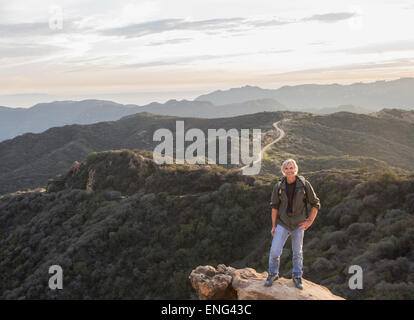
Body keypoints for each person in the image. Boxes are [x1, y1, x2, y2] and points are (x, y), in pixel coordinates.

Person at [264, 159, 321, 290]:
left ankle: (297, 277)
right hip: (282, 223)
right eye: (287, 168)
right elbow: (274, 207)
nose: (289, 170)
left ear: (296, 169)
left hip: (298, 224)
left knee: (297, 253)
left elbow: (315, 203)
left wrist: (309, 221)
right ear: (283, 170)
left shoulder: (305, 185)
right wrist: (273, 226)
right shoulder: (278, 186)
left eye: (291, 168)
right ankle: (273, 274)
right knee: (274, 251)